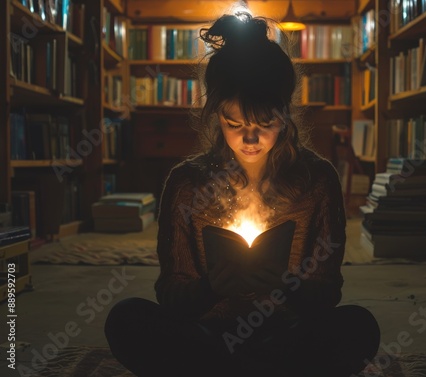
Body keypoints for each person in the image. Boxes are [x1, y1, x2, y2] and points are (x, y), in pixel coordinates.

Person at [105, 12, 380, 377]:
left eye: (265, 124)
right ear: (215, 114)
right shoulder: (188, 184)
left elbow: (327, 295)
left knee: (358, 326)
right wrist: (211, 288)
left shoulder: (317, 182)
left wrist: (286, 286)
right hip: (208, 335)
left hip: (286, 335)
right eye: (234, 123)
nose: (249, 139)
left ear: (286, 114)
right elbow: (171, 295)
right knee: (126, 317)